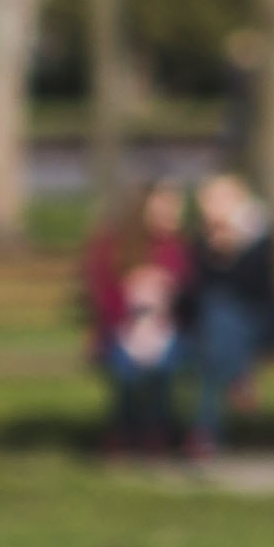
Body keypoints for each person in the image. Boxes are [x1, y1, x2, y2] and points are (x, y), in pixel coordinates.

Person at [78, 186, 192, 458]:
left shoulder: (178, 248)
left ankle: (157, 429)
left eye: (177, 207)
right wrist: (132, 294)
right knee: (124, 368)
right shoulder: (112, 246)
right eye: (166, 206)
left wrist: (167, 294)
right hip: (122, 328)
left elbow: (190, 295)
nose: (174, 213)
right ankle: (124, 429)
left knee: (164, 366)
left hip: (166, 328)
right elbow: (101, 295)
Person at [175, 170, 274, 452]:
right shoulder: (199, 240)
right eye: (209, 199)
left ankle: (205, 433)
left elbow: (257, 288)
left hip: (257, 323)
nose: (212, 205)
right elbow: (193, 291)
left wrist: (230, 252)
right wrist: (211, 253)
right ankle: (239, 376)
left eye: (219, 198)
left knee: (219, 318)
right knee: (217, 316)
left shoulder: (259, 234)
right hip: (213, 330)